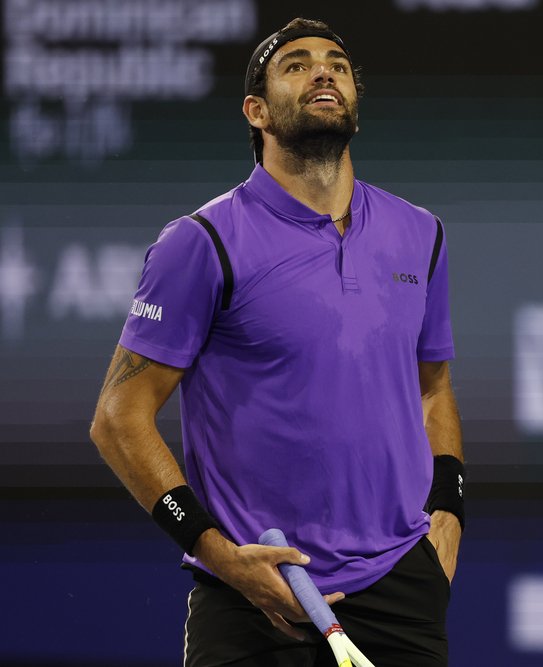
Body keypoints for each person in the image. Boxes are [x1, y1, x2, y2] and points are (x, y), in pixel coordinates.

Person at [89, 17, 463, 667]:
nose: (323, 70)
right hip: (253, 593)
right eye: (296, 64)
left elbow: (433, 387)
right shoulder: (201, 243)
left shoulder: (420, 234)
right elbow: (118, 417)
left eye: (337, 65)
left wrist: (448, 510)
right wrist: (221, 555)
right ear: (255, 111)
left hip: (402, 582)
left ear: (353, 100)